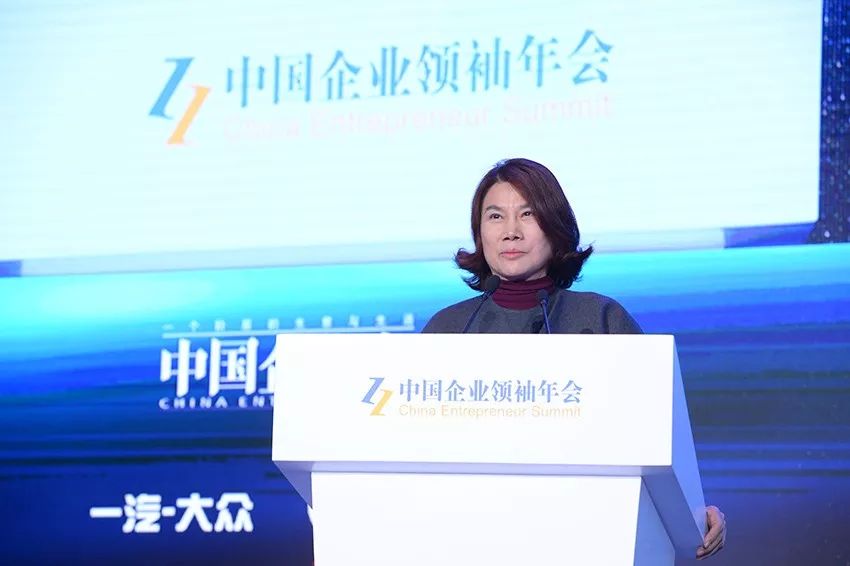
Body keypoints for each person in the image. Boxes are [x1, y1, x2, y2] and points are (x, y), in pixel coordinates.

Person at [422, 157, 726, 559]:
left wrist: (695, 511)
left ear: (555, 225)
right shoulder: (449, 328)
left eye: (527, 214)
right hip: (466, 536)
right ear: (480, 232)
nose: (511, 231)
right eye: (495, 216)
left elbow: (657, 434)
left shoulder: (601, 318)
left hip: (590, 536)